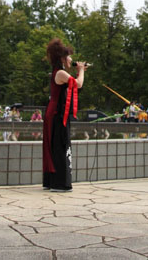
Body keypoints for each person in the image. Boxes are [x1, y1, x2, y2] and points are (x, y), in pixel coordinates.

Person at [42, 38, 88, 192]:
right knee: (60, 146)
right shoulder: (60, 73)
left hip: (56, 113)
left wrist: (78, 73)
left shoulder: (59, 73)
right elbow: (78, 84)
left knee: (55, 146)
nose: (71, 59)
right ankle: (59, 183)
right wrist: (81, 71)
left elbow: (73, 88)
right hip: (57, 114)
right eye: (68, 56)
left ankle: (52, 181)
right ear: (62, 58)